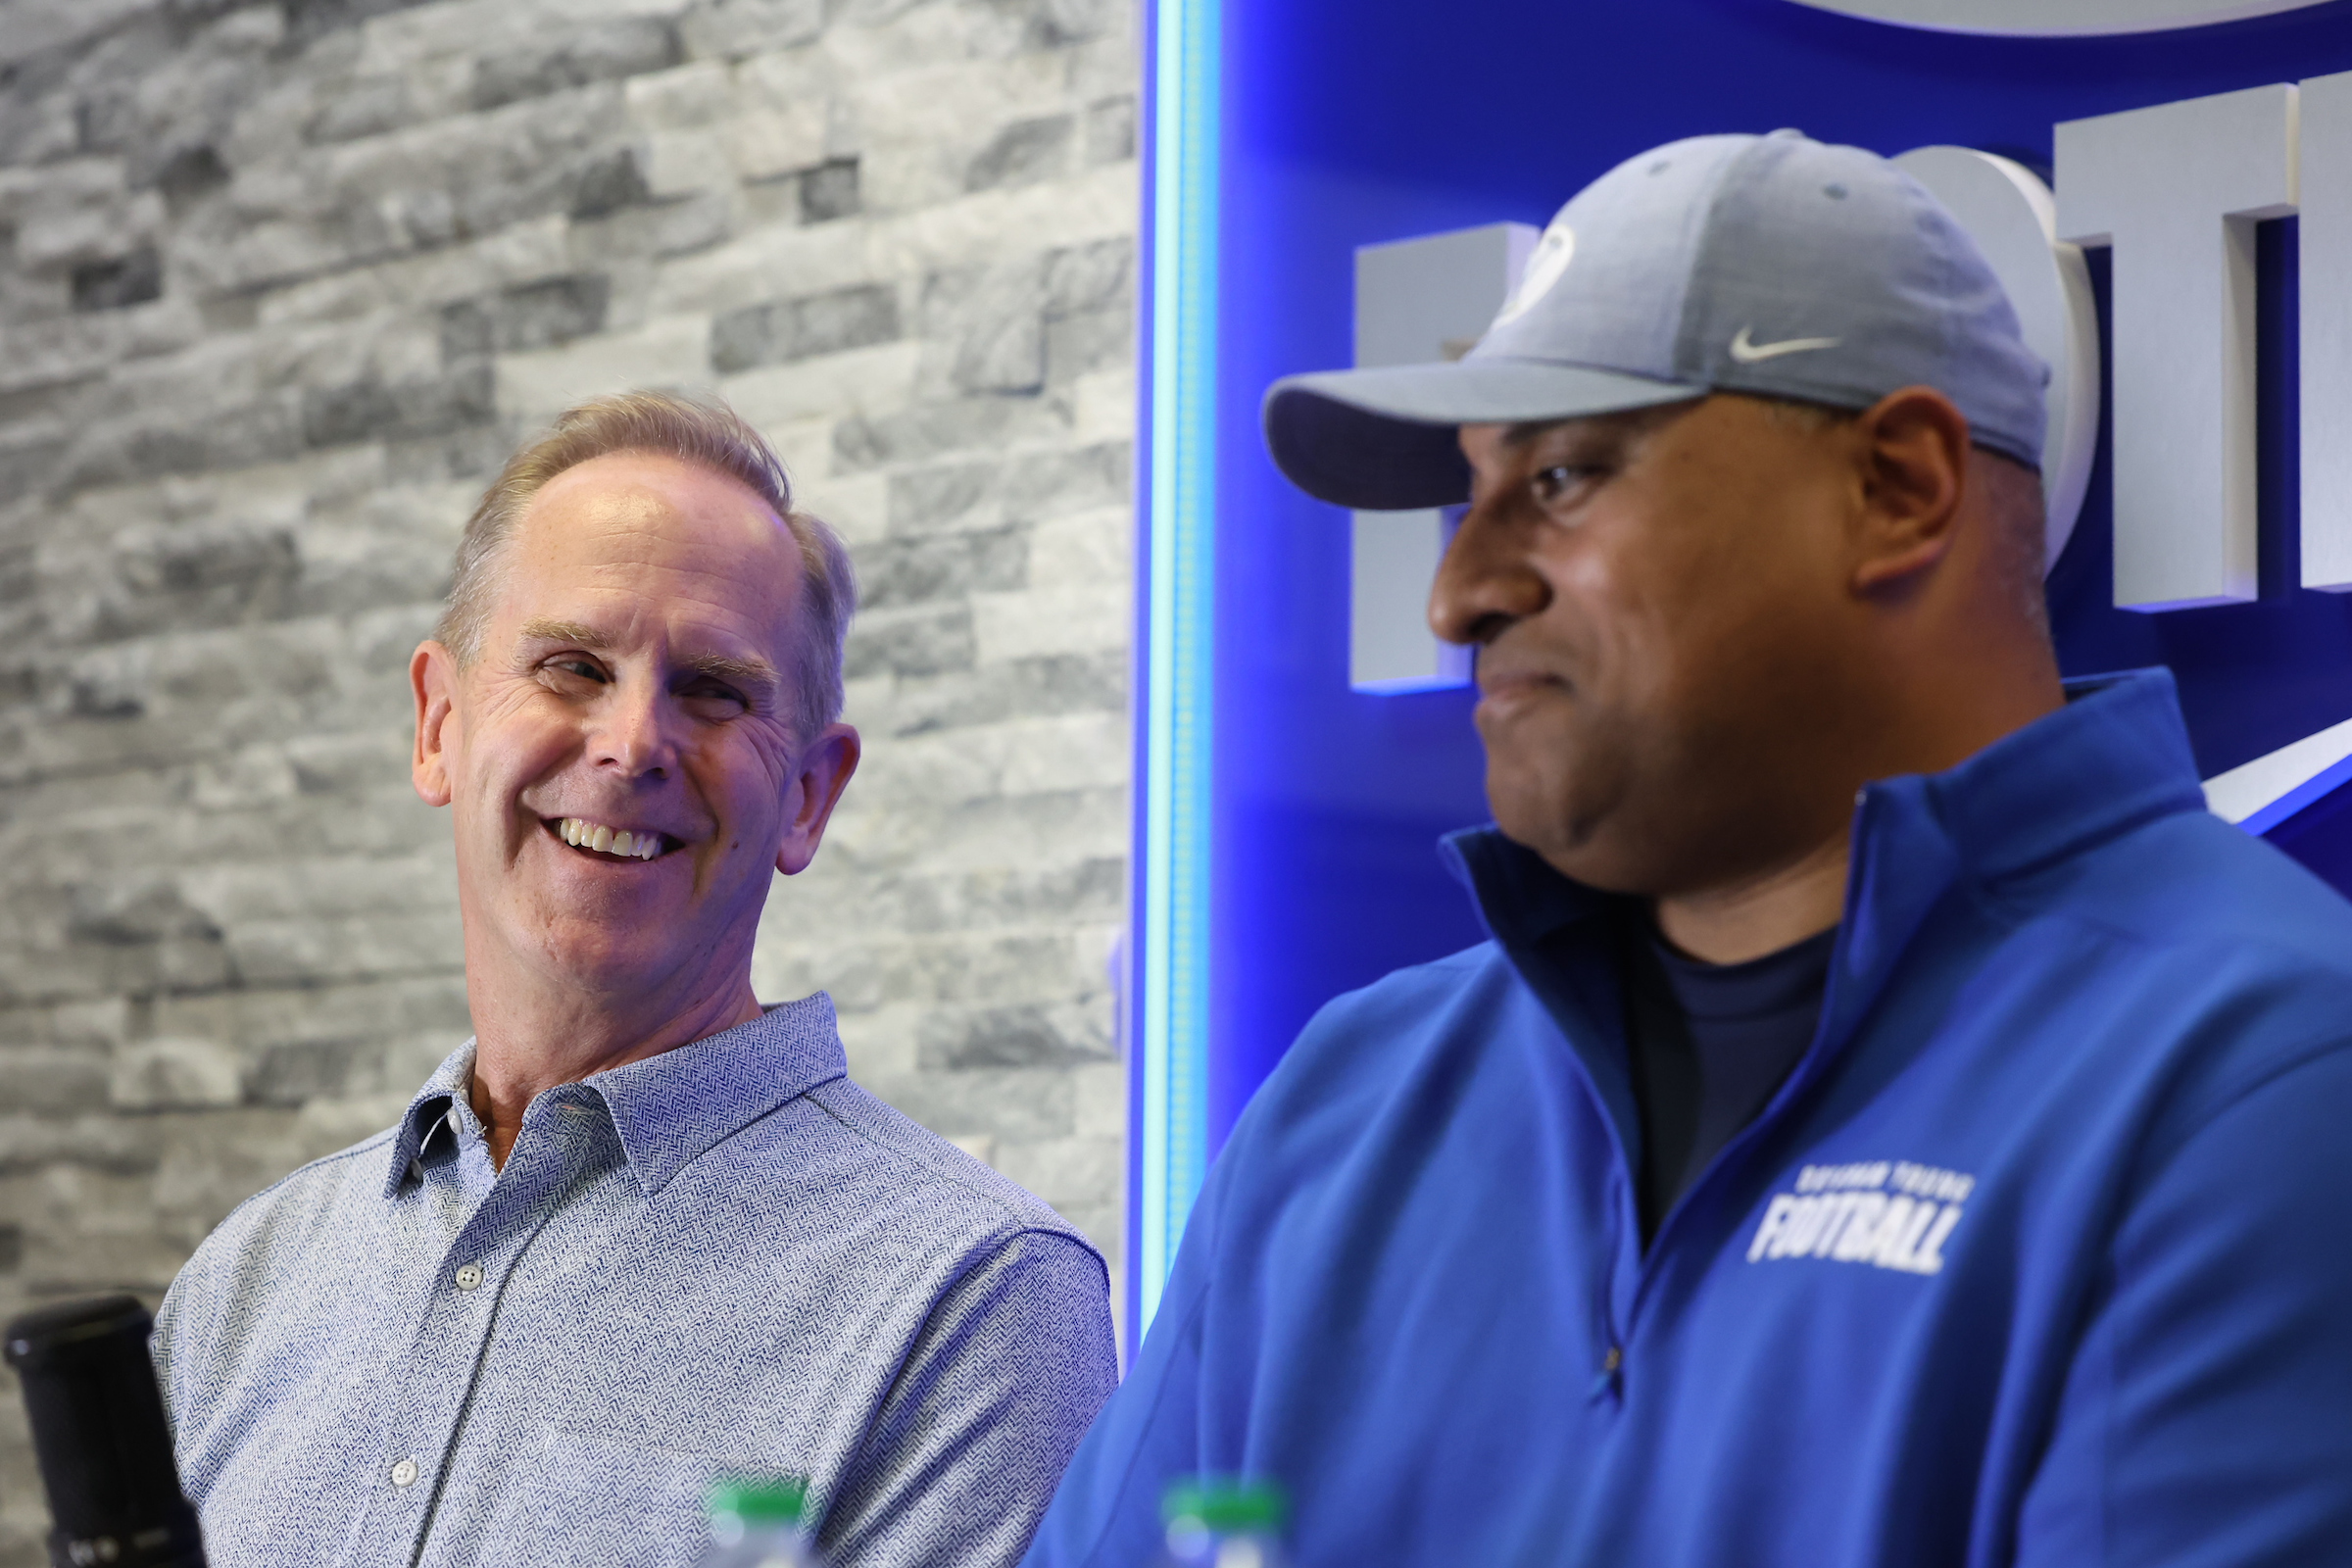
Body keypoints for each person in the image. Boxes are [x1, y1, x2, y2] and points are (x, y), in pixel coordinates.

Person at [1025, 131, 2352, 1566]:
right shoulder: (1347, 1111)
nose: (1459, 592)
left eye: (1568, 476)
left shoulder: (2259, 1073)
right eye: (1466, 496)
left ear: (1898, 487)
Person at [152, 391, 1117, 1568]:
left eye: (713, 689)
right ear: (438, 726)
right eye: (570, 666)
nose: (631, 744)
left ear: (809, 793)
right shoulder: (245, 1281)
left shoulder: (974, 1304)